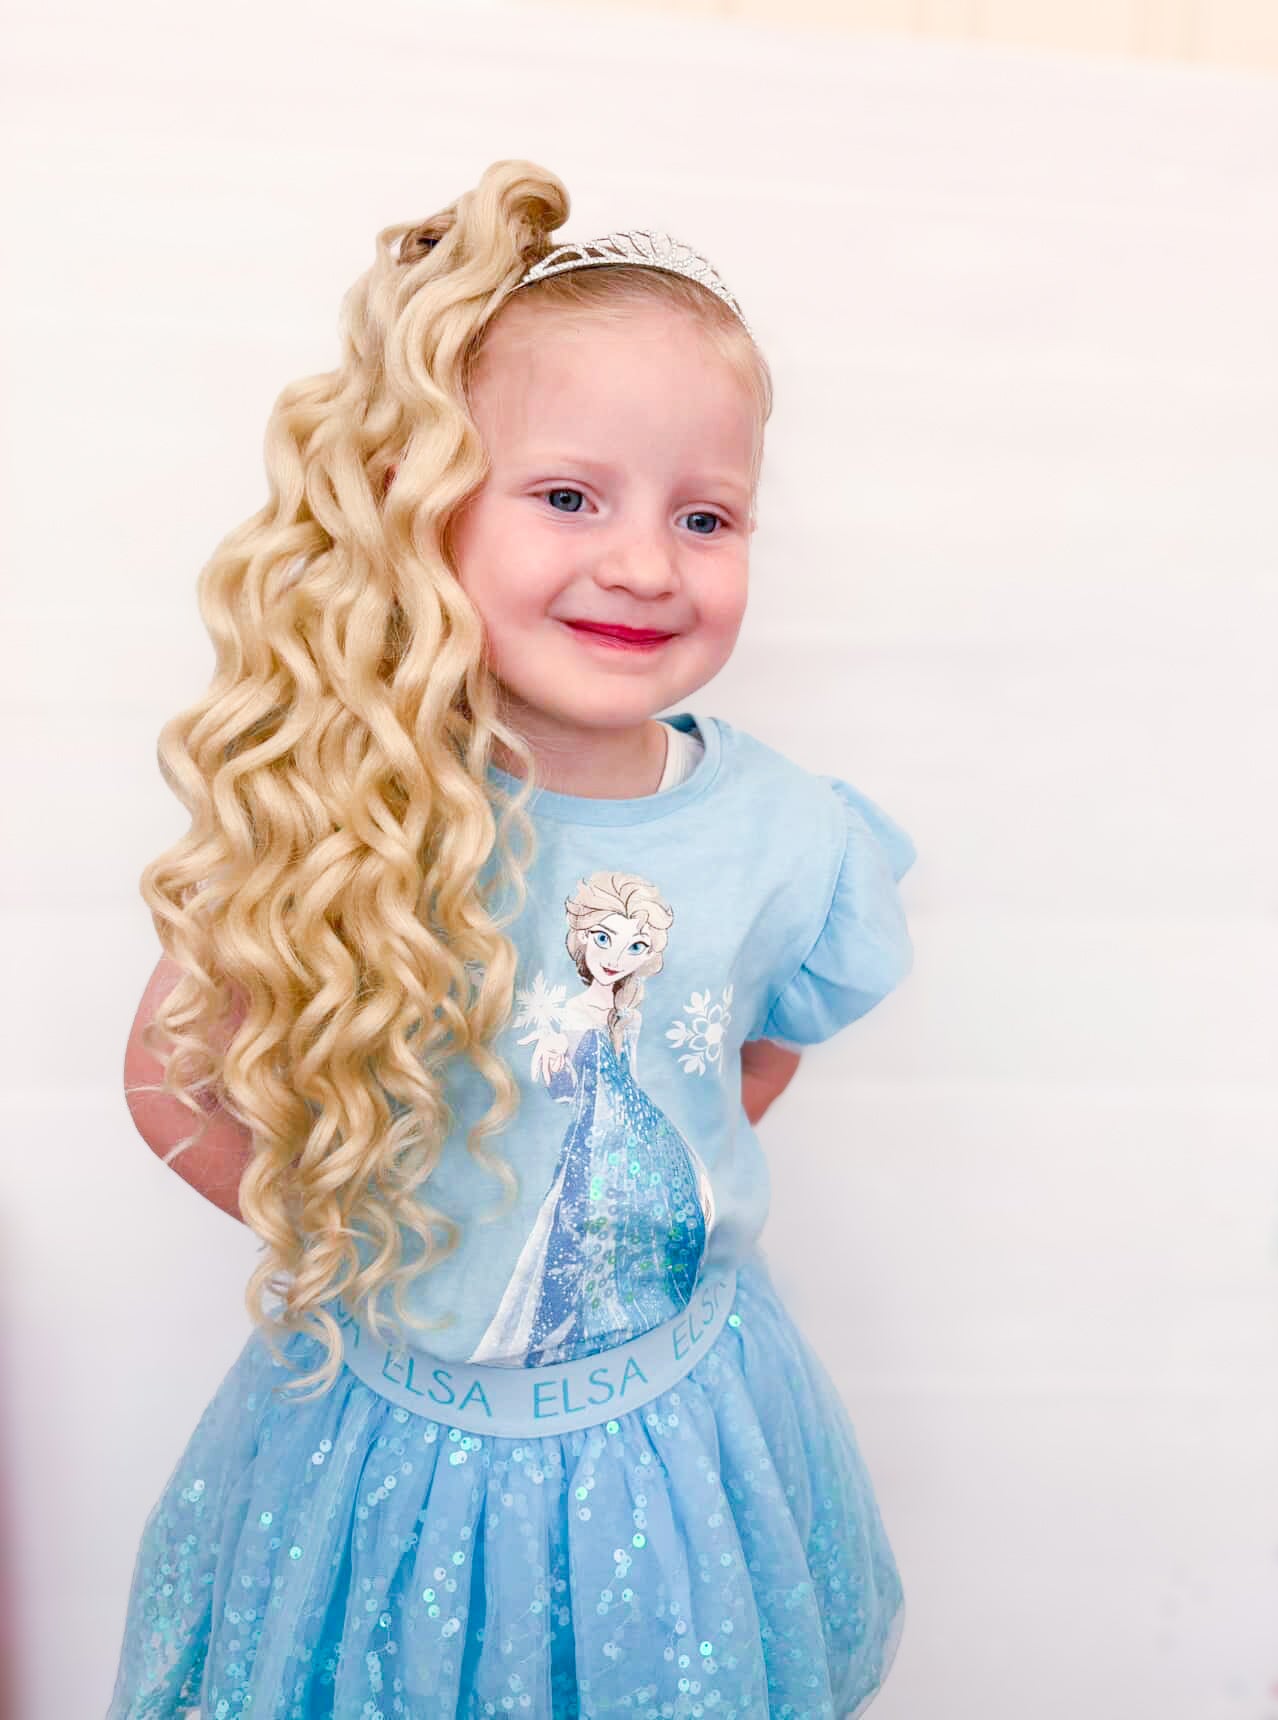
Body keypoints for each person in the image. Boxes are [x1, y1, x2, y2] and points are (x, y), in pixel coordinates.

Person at [110, 157, 919, 1720]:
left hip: (675, 1435)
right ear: (424, 509)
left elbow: (748, 1047)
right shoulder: (345, 808)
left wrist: (641, 1197)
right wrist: (362, 1236)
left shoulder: (786, 830)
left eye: (705, 515)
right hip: (390, 1445)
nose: (644, 563)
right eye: (567, 497)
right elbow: (170, 1079)